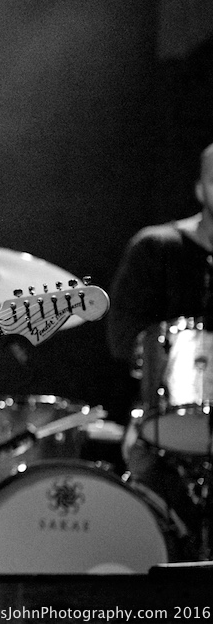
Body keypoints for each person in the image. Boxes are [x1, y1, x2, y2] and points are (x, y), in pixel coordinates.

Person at [106, 142, 213, 560]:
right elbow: (122, 339)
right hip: (162, 429)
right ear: (200, 188)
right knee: (157, 546)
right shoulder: (157, 248)